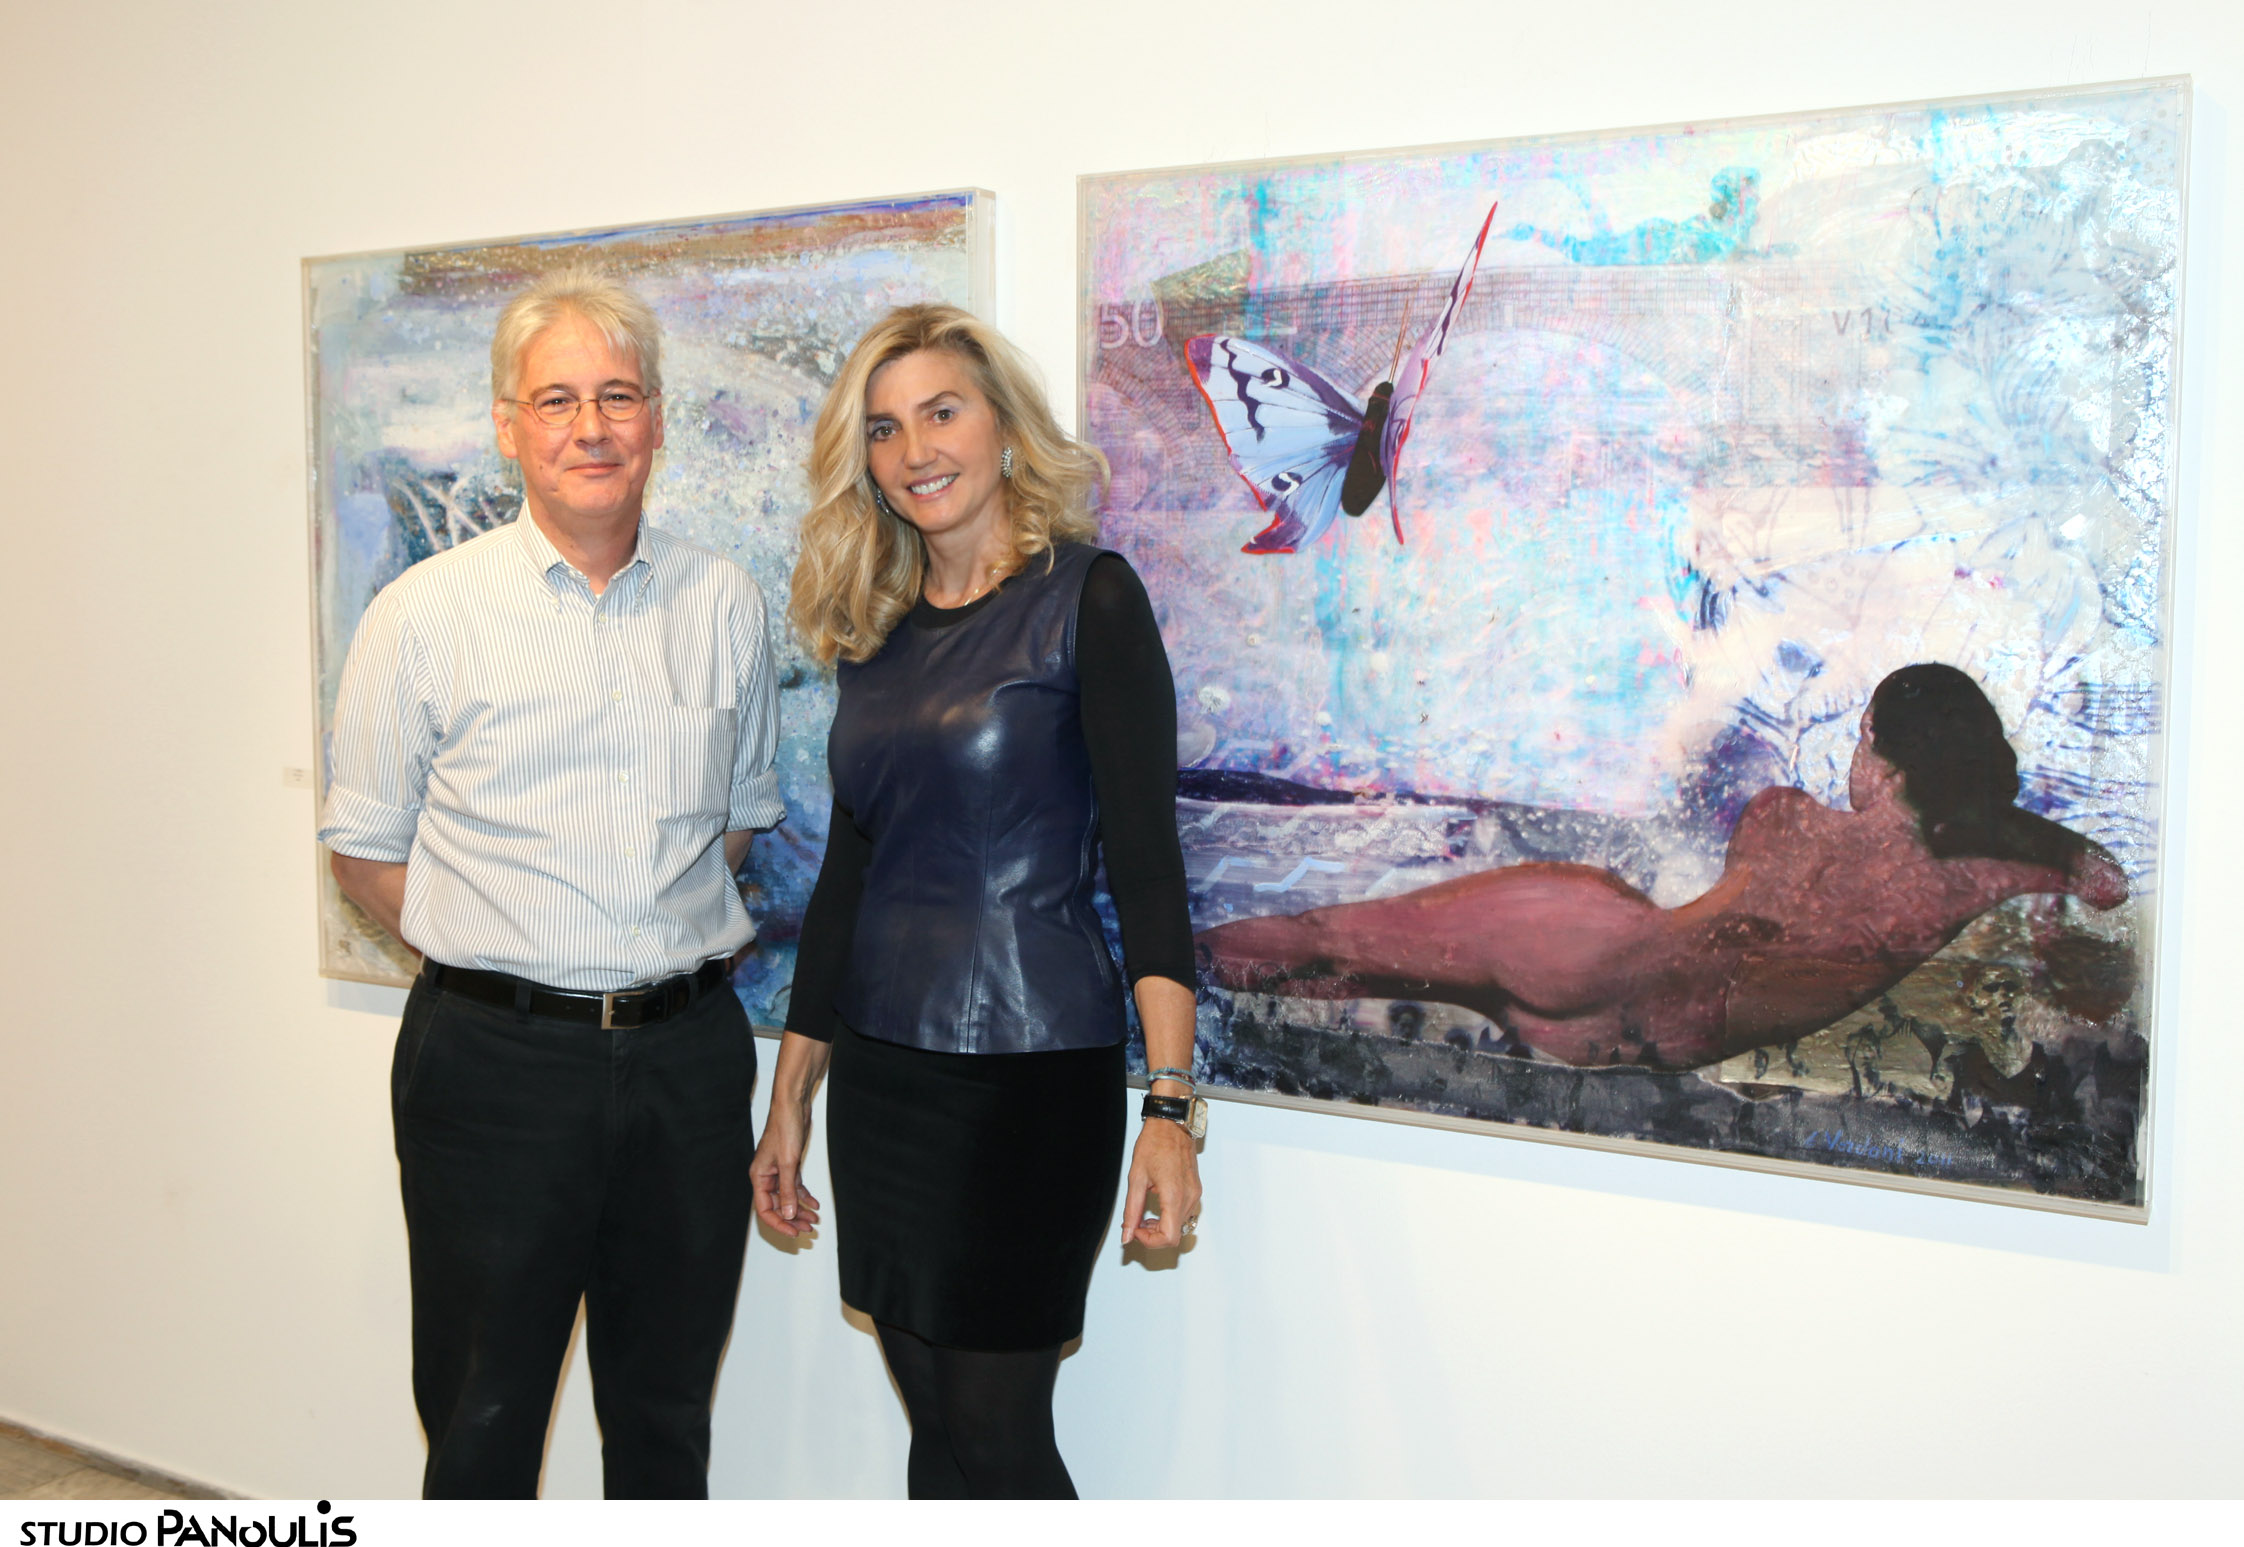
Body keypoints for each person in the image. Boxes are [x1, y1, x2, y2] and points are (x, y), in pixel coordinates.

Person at [317, 266, 783, 1498]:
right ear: (508, 424)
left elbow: (735, 827)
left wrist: (635, 941)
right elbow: (364, 851)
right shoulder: (422, 616)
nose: (592, 427)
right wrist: (506, 956)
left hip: (687, 1066)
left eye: (618, 396)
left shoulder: (724, 605)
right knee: (482, 1422)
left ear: (658, 418)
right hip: (493, 1071)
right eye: (558, 399)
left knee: (666, 1421)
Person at [750, 304, 1202, 1499]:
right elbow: (847, 880)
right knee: (935, 1433)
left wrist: (1169, 1105)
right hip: (885, 1081)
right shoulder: (876, 633)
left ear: (1002, 426)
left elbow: (1149, 869)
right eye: (885, 428)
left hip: (1028, 1081)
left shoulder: (1090, 597)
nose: (916, 450)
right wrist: (789, 1099)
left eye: (941, 411)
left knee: (998, 1436)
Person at [1199, 664, 2127, 1071]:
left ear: (1880, 749)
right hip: (1633, 1028)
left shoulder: (1791, 819)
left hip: (1590, 955)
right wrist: (2028, 850)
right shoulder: (1983, 875)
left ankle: (1178, 971)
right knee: (1343, 957)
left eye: (1859, 738)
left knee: (1331, 941)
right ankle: (1197, 979)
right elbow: (2103, 879)